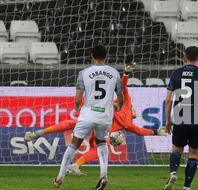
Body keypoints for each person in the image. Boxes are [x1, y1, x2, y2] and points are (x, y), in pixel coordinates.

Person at [25, 63, 165, 176]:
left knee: (73, 125)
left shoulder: (126, 113)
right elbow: (139, 129)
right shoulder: (127, 120)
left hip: (96, 116)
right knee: (97, 147)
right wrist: (156, 132)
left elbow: (140, 130)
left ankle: (40, 134)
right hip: (102, 125)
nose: (135, 113)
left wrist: (126, 73)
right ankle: (75, 165)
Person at [52, 45, 123, 190]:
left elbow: (78, 98)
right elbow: (120, 97)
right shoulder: (115, 73)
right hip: (105, 115)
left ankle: (59, 178)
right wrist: (118, 106)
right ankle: (103, 176)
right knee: (102, 143)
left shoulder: (84, 73)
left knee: (74, 144)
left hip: (88, 114)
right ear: (106, 57)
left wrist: (78, 107)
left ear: (92, 56)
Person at [164, 46, 198, 190]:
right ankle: (186, 188)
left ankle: (173, 172)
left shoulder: (176, 74)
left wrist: (168, 120)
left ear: (185, 57)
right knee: (193, 154)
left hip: (180, 115)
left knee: (176, 149)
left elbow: (167, 100)